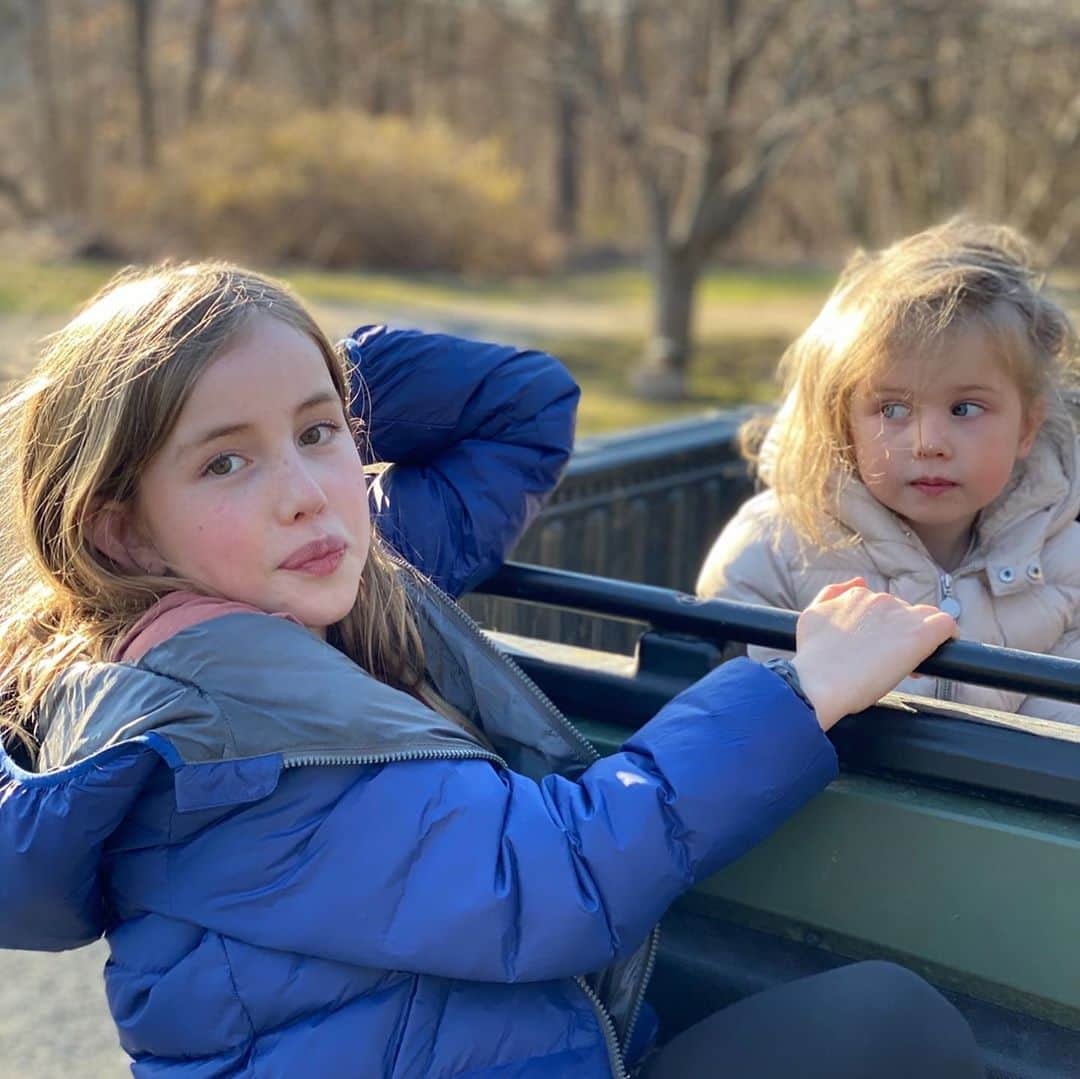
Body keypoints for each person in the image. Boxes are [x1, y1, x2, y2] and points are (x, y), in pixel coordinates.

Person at [0, 262, 982, 1078]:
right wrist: (797, 688)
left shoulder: (303, 587)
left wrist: (295, 356)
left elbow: (526, 409)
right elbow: (547, 879)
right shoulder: (218, 739)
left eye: (317, 432)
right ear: (122, 529)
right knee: (891, 1022)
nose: (305, 495)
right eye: (225, 461)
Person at [698, 219, 1080, 723]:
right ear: (844, 421)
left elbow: (1057, 752)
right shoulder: (773, 548)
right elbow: (727, 729)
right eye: (893, 410)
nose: (929, 444)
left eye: (965, 409)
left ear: (1027, 427)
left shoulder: (1064, 564)